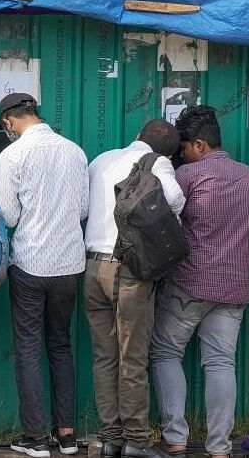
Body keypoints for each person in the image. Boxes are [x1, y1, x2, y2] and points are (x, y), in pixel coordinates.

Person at [151, 105, 249, 458]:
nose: (179, 156)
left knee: (166, 352)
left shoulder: (188, 177)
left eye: (182, 149)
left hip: (189, 284)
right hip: (234, 287)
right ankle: (219, 448)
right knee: (220, 362)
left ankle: (176, 439)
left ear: (199, 145)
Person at [0, 92, 90, 458]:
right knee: (60, 345)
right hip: (69, 264)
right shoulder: (74, 151)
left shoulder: (13, 154)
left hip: (32, 263)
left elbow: (8, 216)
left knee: (29, 347)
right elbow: (82, 208)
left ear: (9, 122)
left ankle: (35, 438)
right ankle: (66, 436)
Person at [85, 120, 185, 458]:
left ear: (138, 135)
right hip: (128, 270)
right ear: (168, 150)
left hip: (92, 266)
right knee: (133, 356)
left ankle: (110, 437)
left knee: (104, 356)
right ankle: (137, 441)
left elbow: (85, 209)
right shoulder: (157, 163)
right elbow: (174, 198)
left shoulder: (101, 159)